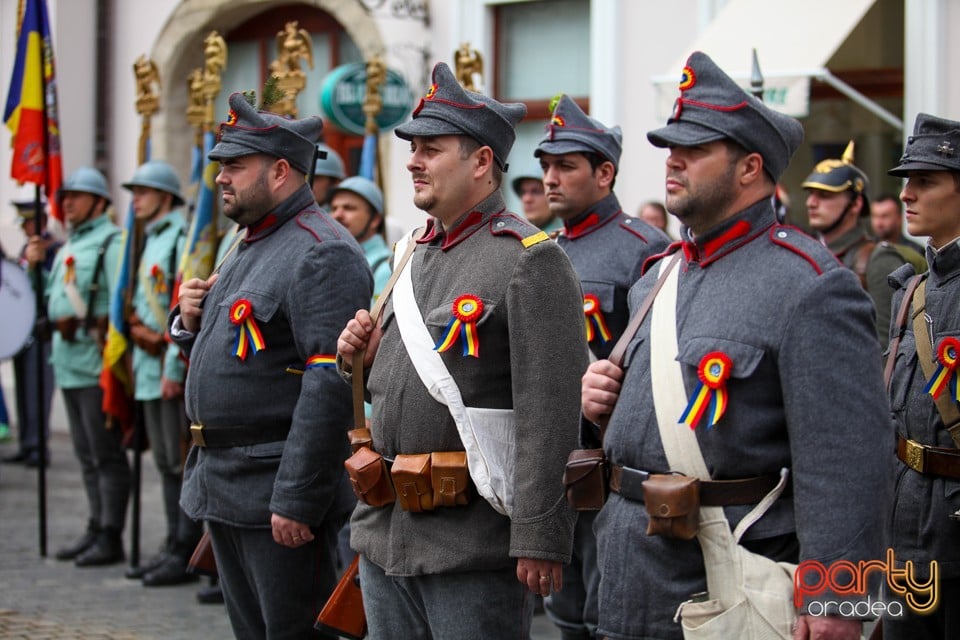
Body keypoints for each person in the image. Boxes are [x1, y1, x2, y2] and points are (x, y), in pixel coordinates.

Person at [581, 51, 890, 640]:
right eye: (671, 148)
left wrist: (840, 602)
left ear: (750, 167)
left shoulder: (810, 285)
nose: (672, 162)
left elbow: (849, 461)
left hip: (729, 582)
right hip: (625, 571)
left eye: (694, 150)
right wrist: (597, 403)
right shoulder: (658, 276)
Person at [336, 61, 588, 640]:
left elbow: (550, 412)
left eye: (431, 148)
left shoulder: (528, 257)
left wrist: (540, 537)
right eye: (413, 147)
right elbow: (391, 388)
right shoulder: (410, 253)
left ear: (481, 162)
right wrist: (360, 361)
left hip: (471, 543)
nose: (413, 160)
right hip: (385, 530)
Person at [171, 92, 371, 638]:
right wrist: (188, 322)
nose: (221, 178)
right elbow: (242, 357)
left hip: (274, 490)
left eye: (235, 165)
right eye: (221, 166)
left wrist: (297, 498)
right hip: (226, 483)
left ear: (281, 170)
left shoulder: (320, 250)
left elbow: (330, 382)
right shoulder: (247, 242)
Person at [535, 93, 669, 640]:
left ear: (605, 172)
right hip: (549, 457)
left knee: (605, 612)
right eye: (545, 165)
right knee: (563, 612)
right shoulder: (539, 247)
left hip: (608, 462)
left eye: (566, 166)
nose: (550, 177)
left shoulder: (645, 247)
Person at [25, 167, 131, 566]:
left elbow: (120, 303)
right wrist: (36, 267)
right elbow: (49, 300)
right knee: (85, 454)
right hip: (67, 361)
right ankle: (96, 523)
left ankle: (111, 534)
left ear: (100, 202)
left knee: (105, 453)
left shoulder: (110, 242)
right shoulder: (71, 244)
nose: (66, 203)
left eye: (77, 196)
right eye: (64, 196)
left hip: (94, 363)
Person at [883, 113, 960, 639]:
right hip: (904, 514)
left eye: (926, 180)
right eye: (907, 180)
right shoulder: (911, 291)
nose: (908, 194)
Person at [122, 160, 202, 587]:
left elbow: (182, 311)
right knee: (166, 463)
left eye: (143, 192)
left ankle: (185, 549)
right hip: (147, 367)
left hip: (169, 366)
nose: (135, 200)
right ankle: (173, 541)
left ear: (166, 196)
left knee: (178, 463)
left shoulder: (180, 240)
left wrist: (175, 366)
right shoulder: (150, 238)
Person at [803, 142, 908, 349]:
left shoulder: (879, 261)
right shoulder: (806, 255)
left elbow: (887, 349)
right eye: (811, 194)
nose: (811, 203)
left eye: (825, 195)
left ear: (856, 204)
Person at [4, 198, 60, 466]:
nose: (25, 228)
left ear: (40, 222)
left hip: (42, 331)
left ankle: (38, 448)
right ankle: (27, 444)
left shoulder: (53, 250)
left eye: (28, 222)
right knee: (25, 393)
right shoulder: (28, 249)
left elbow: (50, 290)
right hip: (23, 334)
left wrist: (37, 265)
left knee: (38, 392)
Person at [330, 176, 391, 306]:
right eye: (334, 208)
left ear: (375, 219)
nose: (337, 215)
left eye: (349, 208)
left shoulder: (386, 268)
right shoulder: (335, 257)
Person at [511, 165, 561, 233]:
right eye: (523, 192)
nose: (527, 199)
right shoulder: (516, 236)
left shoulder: (566, 238)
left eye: (536, 191)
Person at [310, 142, 345, 210]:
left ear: (334, 183)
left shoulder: (340, 217)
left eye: (316, 178)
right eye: (305, 178)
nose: (308, 183)